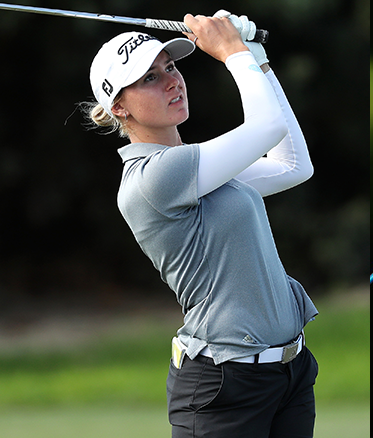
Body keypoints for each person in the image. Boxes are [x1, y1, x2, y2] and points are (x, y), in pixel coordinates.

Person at [84, 11, 318, 438]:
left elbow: (294, 165)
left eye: (170, 67)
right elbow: (266, 128)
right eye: (149, 79)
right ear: (119, 106)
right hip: (224, 389)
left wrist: (257, 56)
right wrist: (233, 52)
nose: (173, 80)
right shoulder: (155, 178)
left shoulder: (201, 168)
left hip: (291, 374)